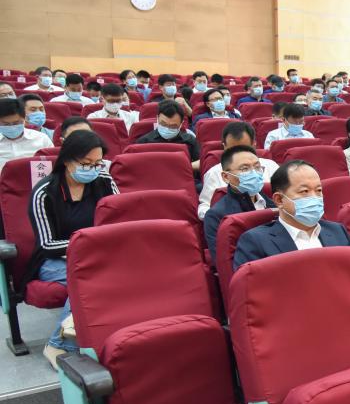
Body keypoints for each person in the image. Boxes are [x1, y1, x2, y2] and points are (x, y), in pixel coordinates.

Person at [27, 130, 118, 369]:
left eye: (98, 163)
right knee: (90, 279)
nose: (93, 169)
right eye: (86, 164)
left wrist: (97, 247)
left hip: (100, 255)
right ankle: (59, 344)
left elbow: (120, 219)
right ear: (67, 160)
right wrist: (87, 245)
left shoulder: (104, 181)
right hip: (55, 259)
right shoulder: (44, 192)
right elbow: (46, 244)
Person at [234, 160, 350, 269]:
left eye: (318, 190)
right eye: (304, 191)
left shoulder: (338, 231)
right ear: (279, 200)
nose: (314, 197)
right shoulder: (256, 241)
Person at [198, 122, 278, 218]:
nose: (239, 154)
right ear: (224, 147)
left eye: (244, 149)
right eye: (233, 150)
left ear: (254, 145)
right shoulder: (214, 173)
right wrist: (217, 218)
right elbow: (205, 206)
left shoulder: (270, 166)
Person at [203, 146, 271, 257]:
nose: (254, 173)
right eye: (244, 169)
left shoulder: (275, 204)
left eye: (257, 167)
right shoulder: (216, 216)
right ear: (226, 177)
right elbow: (224, 261)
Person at [134, 100, 200, 171]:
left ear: (181, 124)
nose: (167, 128)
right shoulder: (143, 142)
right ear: (157, 118)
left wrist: (187, 166)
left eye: (173, 126)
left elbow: (200, 161)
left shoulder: (190, 140)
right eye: (163, 124)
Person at [0, 97, 53, 168]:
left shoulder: (41, 139)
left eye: (16, 123)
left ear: (25, 118)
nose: (12, 127)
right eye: (6, 124)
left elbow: (53, 165)